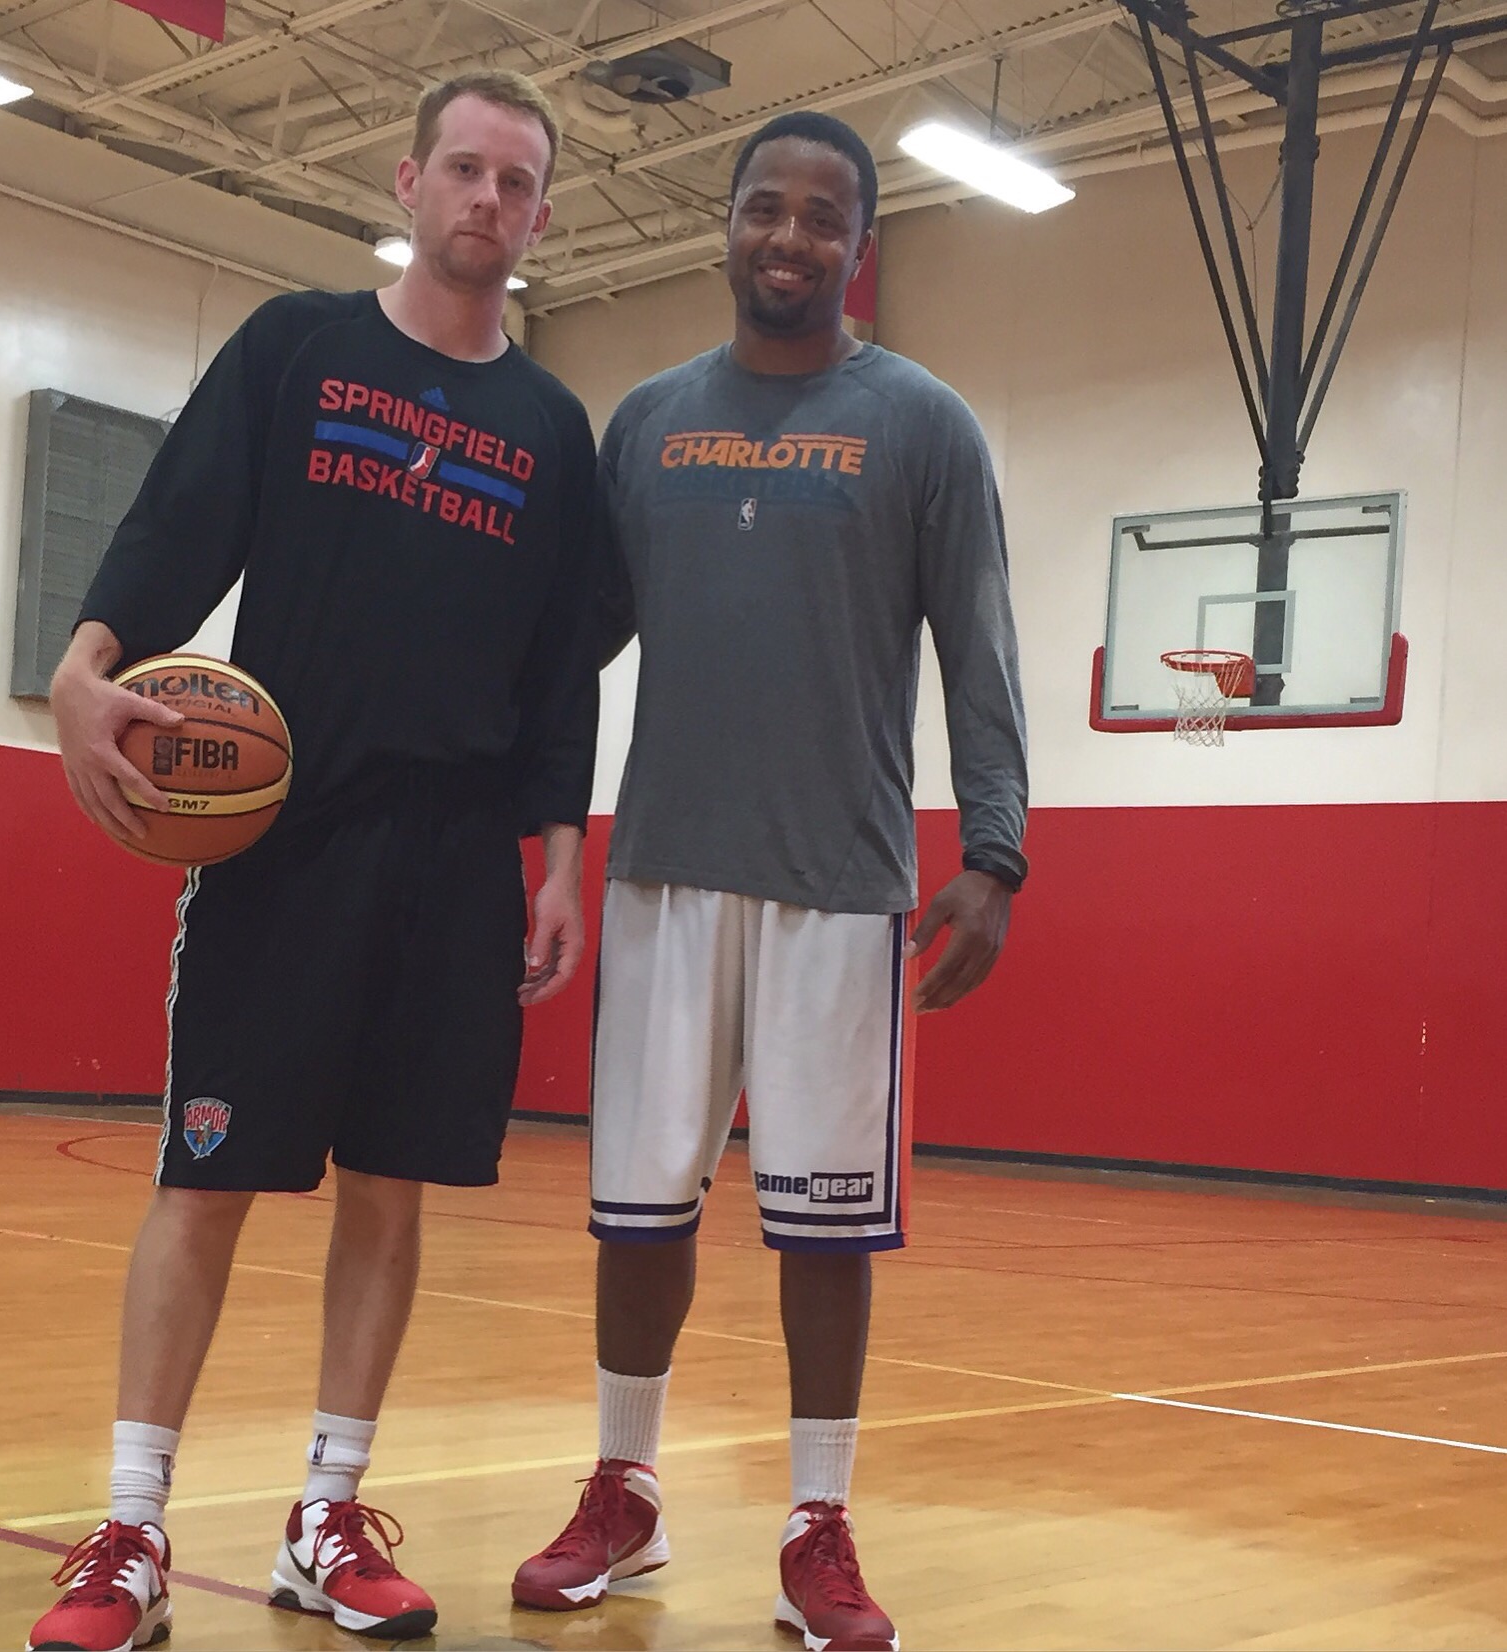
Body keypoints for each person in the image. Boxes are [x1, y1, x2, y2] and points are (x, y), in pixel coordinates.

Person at [28, 68, 599, 1652]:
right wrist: (83, 664)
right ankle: (131, 1530)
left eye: (516, 183)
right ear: (407, 183)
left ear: (542, 218)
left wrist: (559, 859)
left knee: (390, 1189)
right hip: (286, 844)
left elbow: (564, 668)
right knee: (205, 1178)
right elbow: (179, 522)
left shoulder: (552, 431)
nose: (487, 200)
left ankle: (328, 1517)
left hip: (457, 855)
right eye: (464, 169)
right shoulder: (299, 349)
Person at [511, 111, 1029, 1652]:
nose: (789, 237)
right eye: (765, 208)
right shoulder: (651, 423)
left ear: (858, 247)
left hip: (841, 885)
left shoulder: (925, 425)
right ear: (725, 223)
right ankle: (626, 1489)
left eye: (822, 216)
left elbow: (981, 643)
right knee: (637, 1212)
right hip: (665, 871)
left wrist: (995, 850)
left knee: (826, 1225)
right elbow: (567, 646)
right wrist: (504, 781)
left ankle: (818, 1521)